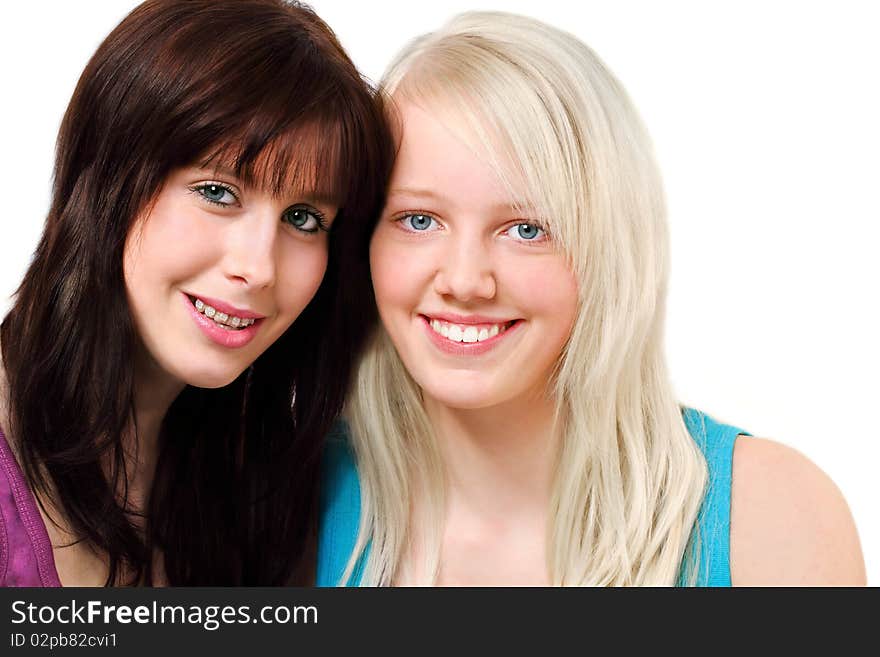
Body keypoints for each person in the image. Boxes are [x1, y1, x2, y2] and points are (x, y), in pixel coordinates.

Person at [317, 11, 866, 586]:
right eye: (419, 219)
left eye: (527, 229)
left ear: (610, 248)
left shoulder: (770, 518)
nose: (464, 279)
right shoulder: (289, 498)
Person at [0, 0, 393, 586]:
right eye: (218, 191)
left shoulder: (274, 486)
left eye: (305, 218)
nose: (260, 267)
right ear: (106, 178)